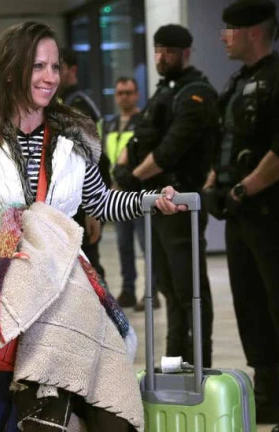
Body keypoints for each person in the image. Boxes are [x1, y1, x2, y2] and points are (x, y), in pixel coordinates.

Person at [0, 21, 186, 432]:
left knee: (55, 389)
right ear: (12, 71)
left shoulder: (75, 135)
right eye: (38, 66)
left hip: (58, 277)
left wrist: (151, 202)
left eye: (55, 66)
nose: (50, 77)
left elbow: (99, 201)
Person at [206, 1, 279, 429]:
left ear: (253, 32)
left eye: (229, 29)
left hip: (272, 215)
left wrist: (244, 188)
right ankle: (269, 397)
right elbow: (226, 142)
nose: (223, 37)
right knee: (250, 306)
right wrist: (215, 184)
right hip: (239, 215)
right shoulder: (237, 81)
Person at [114, 24, 218, 370]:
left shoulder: (195, 93)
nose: (161, 57)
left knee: (191, 291)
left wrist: (132, 177)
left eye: (168, 51)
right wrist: (125, 166)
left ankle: (200, 365)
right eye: (158, 50)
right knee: (170, 291)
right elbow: (141, 136)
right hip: (158, 205)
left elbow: (170, 149)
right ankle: (175, 364)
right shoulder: (165, 91)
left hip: (182, 203)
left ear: (186, 53)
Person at [103, 77, 158, 311]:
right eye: (120, 93)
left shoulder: (144, 122)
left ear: (137, 95)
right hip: (117, 194)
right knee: (123, 245)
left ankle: (151, 292)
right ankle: (128, 290)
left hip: (139, 192)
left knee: (146, 245)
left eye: (129, 92)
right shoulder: (109, 124)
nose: (124, 97)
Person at [57, 47, 111, 281]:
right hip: (73, 201)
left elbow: (93, 159)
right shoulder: (63, 103)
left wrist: (92, 209)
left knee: (89, 268)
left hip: (84, 201)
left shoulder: (79, 106)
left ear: (72, 70)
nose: (52, 74)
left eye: (58, 68)